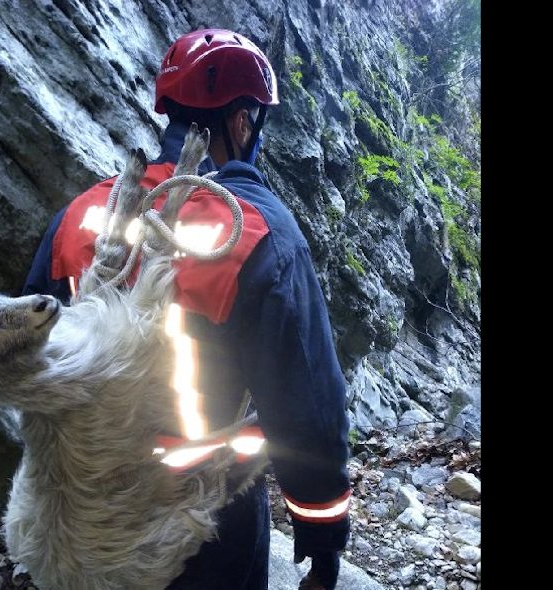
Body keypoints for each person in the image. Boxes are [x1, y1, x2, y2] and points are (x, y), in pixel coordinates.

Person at [23, 28, 351, 590]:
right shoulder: (257, 234)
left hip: (76, 512)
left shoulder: (81, 212)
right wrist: (321, 536)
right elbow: (307, 409)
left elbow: (30, 359)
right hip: (194, 520)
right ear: (243, 122)